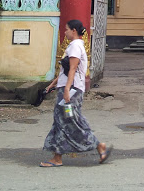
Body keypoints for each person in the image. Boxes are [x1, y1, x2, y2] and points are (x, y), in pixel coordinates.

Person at [40, 19, 112, 167]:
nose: (64, 32)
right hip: (71, 89)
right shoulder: (75, 46)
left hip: (71, 91)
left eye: (66, 29)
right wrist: (52, 85)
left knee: (68, 121)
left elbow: (73, 69)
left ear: (73, 30)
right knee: (66, 120)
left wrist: (66, 89)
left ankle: (60, 157)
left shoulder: (75, 46)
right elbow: (66, 71)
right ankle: (59, 156)